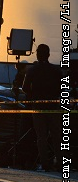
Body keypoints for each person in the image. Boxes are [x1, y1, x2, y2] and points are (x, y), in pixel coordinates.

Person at [22, 44, 62, 172]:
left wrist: (33, 96)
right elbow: (62, 87)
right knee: (57, 135)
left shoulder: (32, 70)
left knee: (41, 136)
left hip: (38, 107)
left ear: (37, 55)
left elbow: (25, 88)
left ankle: (45, 163)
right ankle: (60, 162)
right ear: (49, 55)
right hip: (53, 107)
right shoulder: (56, 70)